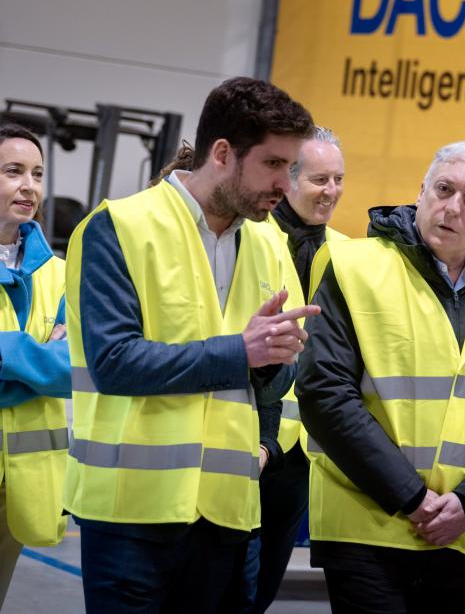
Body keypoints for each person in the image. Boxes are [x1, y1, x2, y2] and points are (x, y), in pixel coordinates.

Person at [64, 77, 320, 612]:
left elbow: (276, 377)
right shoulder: (118, 228)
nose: (285, 183)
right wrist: (242, 353)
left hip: (229, 517)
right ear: (223, 153)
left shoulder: (270, 244)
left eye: (290, 167)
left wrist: (275, 363)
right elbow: (113, 362)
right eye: (273, 165)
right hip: (131, 516)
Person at [297, 140, 465, 614]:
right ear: (421, 191)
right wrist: (412, 499)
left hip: (456, 531)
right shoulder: (355, 266)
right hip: (365, 522)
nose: (452, 207)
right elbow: (325, 394)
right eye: (443, 189)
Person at [247, 126, 348, 612]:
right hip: (245, 436)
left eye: (339, 179)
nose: (331, 191)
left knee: (262, 587)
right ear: (288, 180)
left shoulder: (349, 255)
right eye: (320, 179)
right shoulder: (249, 238)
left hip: (302, 451)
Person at [0, 124, 71, 605]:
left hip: (21, 486)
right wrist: (37, 355)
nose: (30, 186)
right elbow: (52, 363)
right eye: (13, 172)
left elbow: (74, 368)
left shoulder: (61, 273)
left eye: (38, 173)